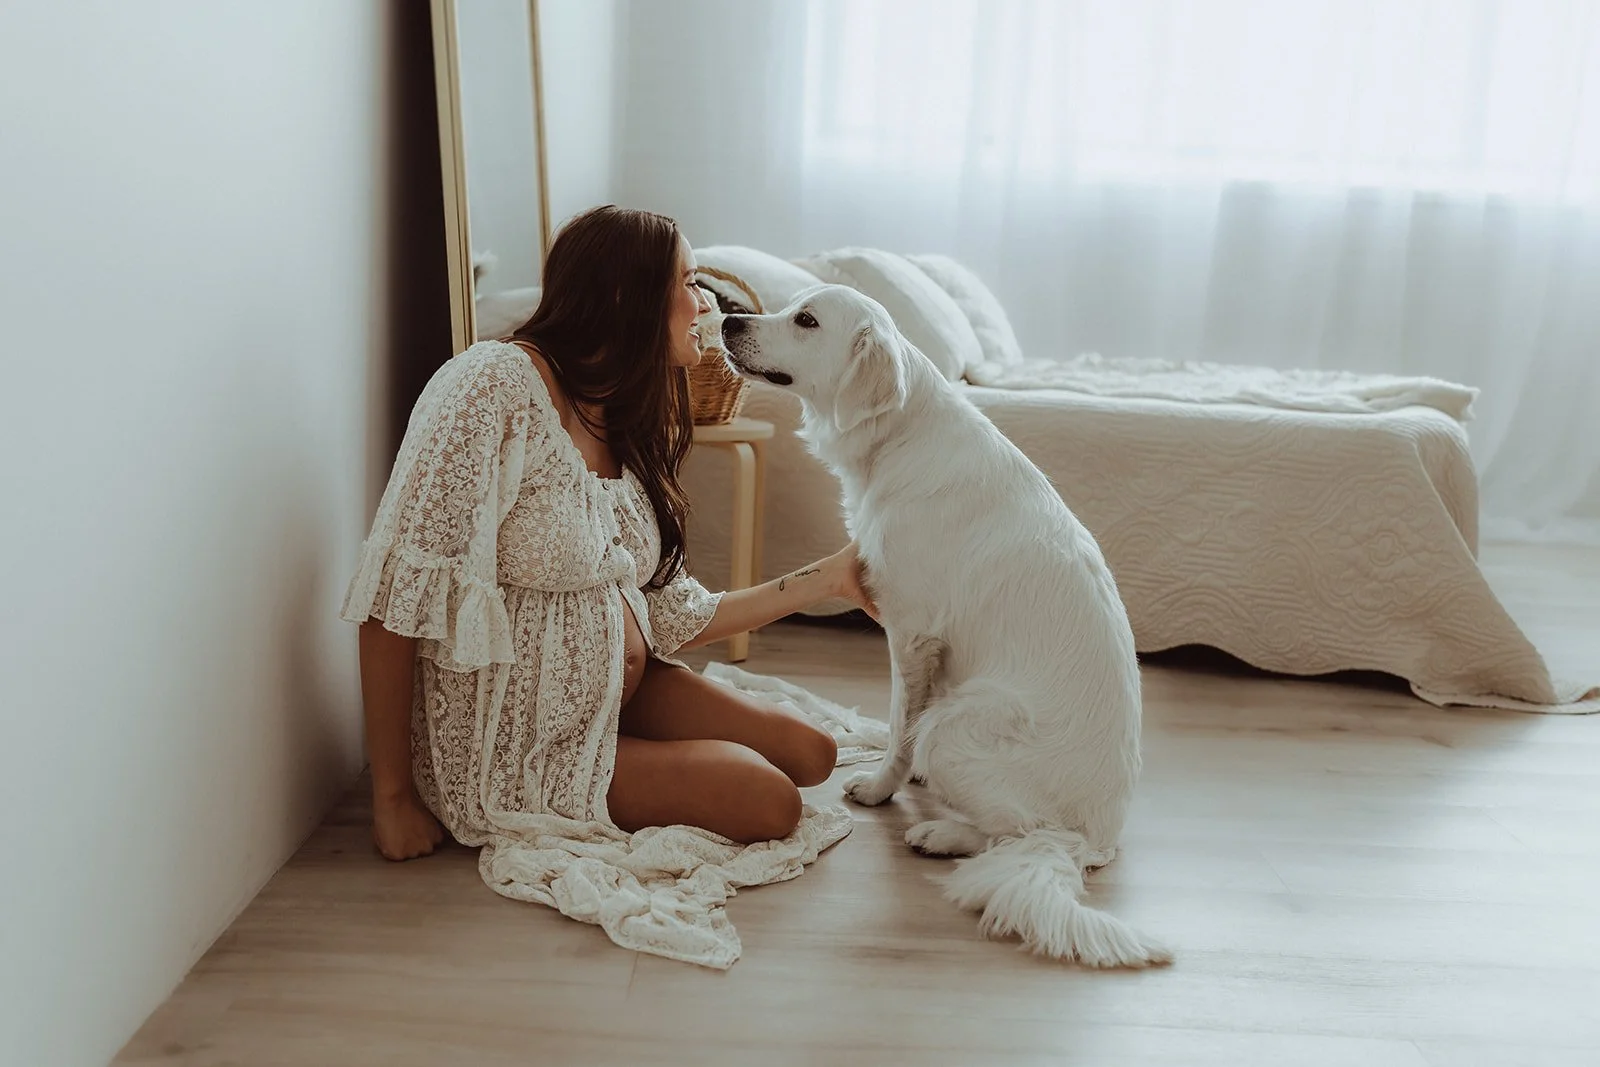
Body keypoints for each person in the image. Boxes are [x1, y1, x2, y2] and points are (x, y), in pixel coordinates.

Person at [342, 205, 877, 863]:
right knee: (771, 800)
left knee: (812, 752)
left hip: (619, 696)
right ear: (627, 295)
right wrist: (391, 798)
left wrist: (832, 577)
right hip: (523, 743)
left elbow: (674, 615)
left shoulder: (617, 415)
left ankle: (648, 747)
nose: (704, 302)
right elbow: (395, 595)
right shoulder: (493, 384)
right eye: (686, 281)